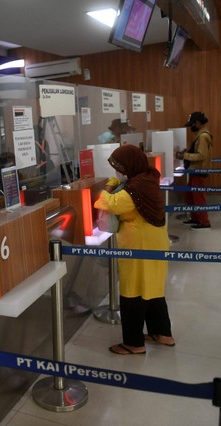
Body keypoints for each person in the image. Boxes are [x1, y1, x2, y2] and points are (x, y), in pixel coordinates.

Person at [94, 144, 175, 355]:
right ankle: (162, 333)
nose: (117, 172)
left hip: (138, 246)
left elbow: (106, 203)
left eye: (118, 168)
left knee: (133, 291)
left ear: (129, 166)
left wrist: (109, 185)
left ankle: (134, 343)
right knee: (154, 289)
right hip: (156, 242)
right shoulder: (147, 178)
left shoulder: (133, 190)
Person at [176, 111, 213, 229]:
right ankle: (196, 218)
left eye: (192, 124)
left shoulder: (203, 136)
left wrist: (184, 156)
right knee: (190, 196)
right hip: (195, 170)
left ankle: (204, 222)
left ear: (197, 123)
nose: (191, 127)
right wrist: (187, 152)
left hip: (199, 171)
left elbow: (201, 156)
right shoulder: (200, 135)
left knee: (198, 197)